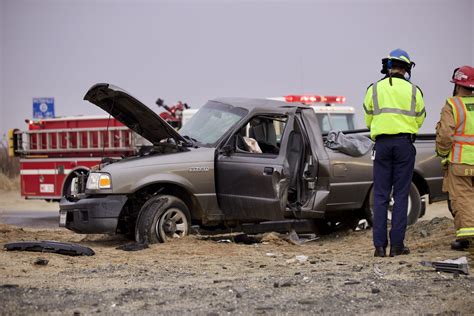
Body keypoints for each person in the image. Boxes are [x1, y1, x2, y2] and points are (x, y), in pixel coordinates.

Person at [363, 49, 426, 257]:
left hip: (381, 145)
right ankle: (397, 246)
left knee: (380, 195)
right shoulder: (415, 90)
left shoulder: (373, 89)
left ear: (388, 66)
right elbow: (419, 119)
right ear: (407, 68)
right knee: (401, 196)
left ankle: (379, 247)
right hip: (404, 145)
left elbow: (368, 120)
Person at [435, 66, 474, 251]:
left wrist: (443, 154)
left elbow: (445, 136)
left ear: (458, 85)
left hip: (460, 163)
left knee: (462, 199)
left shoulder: (453, 105)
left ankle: (467, 239)